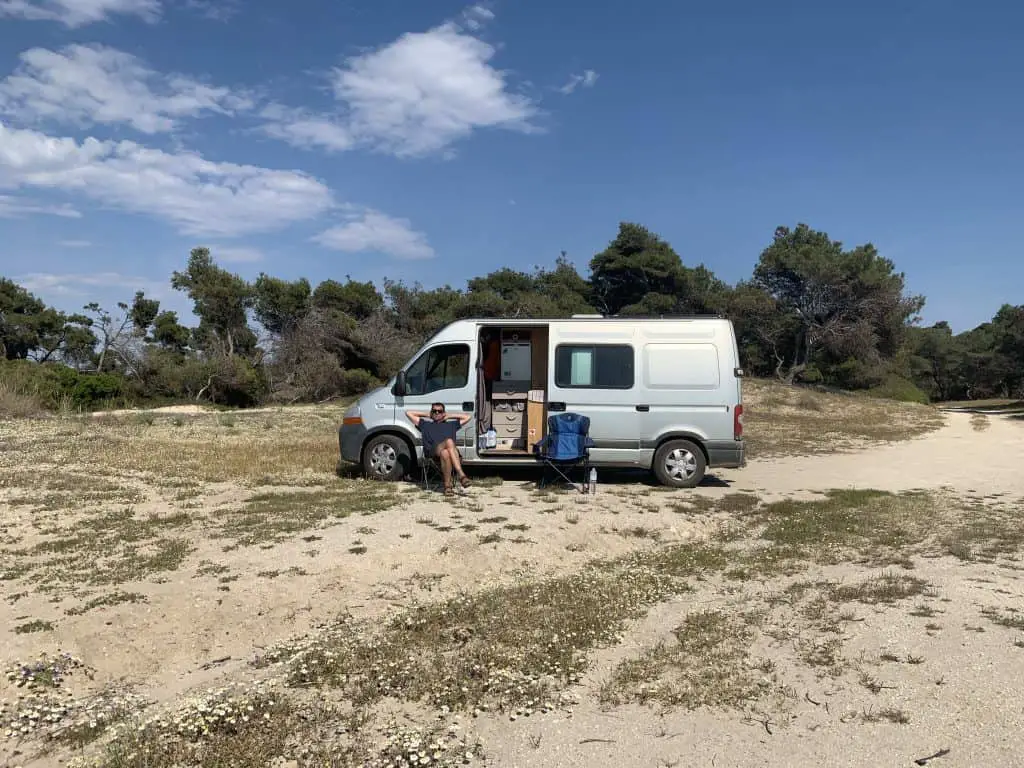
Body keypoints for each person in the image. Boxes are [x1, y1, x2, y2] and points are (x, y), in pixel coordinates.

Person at [406, 403, 473, 495]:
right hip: (433, 452)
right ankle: (461, 475)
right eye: (434, 411)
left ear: (443, 413)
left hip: (450, 454)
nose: (437, 413)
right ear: (431, 412)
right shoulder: (425, 424)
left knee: (445, 452)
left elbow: (468, 417)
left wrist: (449, 416)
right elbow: (408, 413)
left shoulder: (452, 424)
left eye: (440, 411)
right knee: (449, 441)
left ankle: (447, 487)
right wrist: (428, 415)